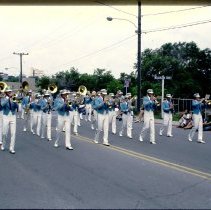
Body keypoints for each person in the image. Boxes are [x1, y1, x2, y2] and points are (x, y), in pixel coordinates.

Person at [1, 87, 18, 154]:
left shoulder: (13, 98)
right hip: (6, 116)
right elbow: (2, 105)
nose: (10, 93)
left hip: (13, 116)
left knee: (13, 133)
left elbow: (17, 107)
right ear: (6, 93)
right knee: (4, 133)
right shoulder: (3, 99)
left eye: (10, 92)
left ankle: (11, 148)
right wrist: (8, 99)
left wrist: (15, 101)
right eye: (8, 92)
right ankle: (3, 144)